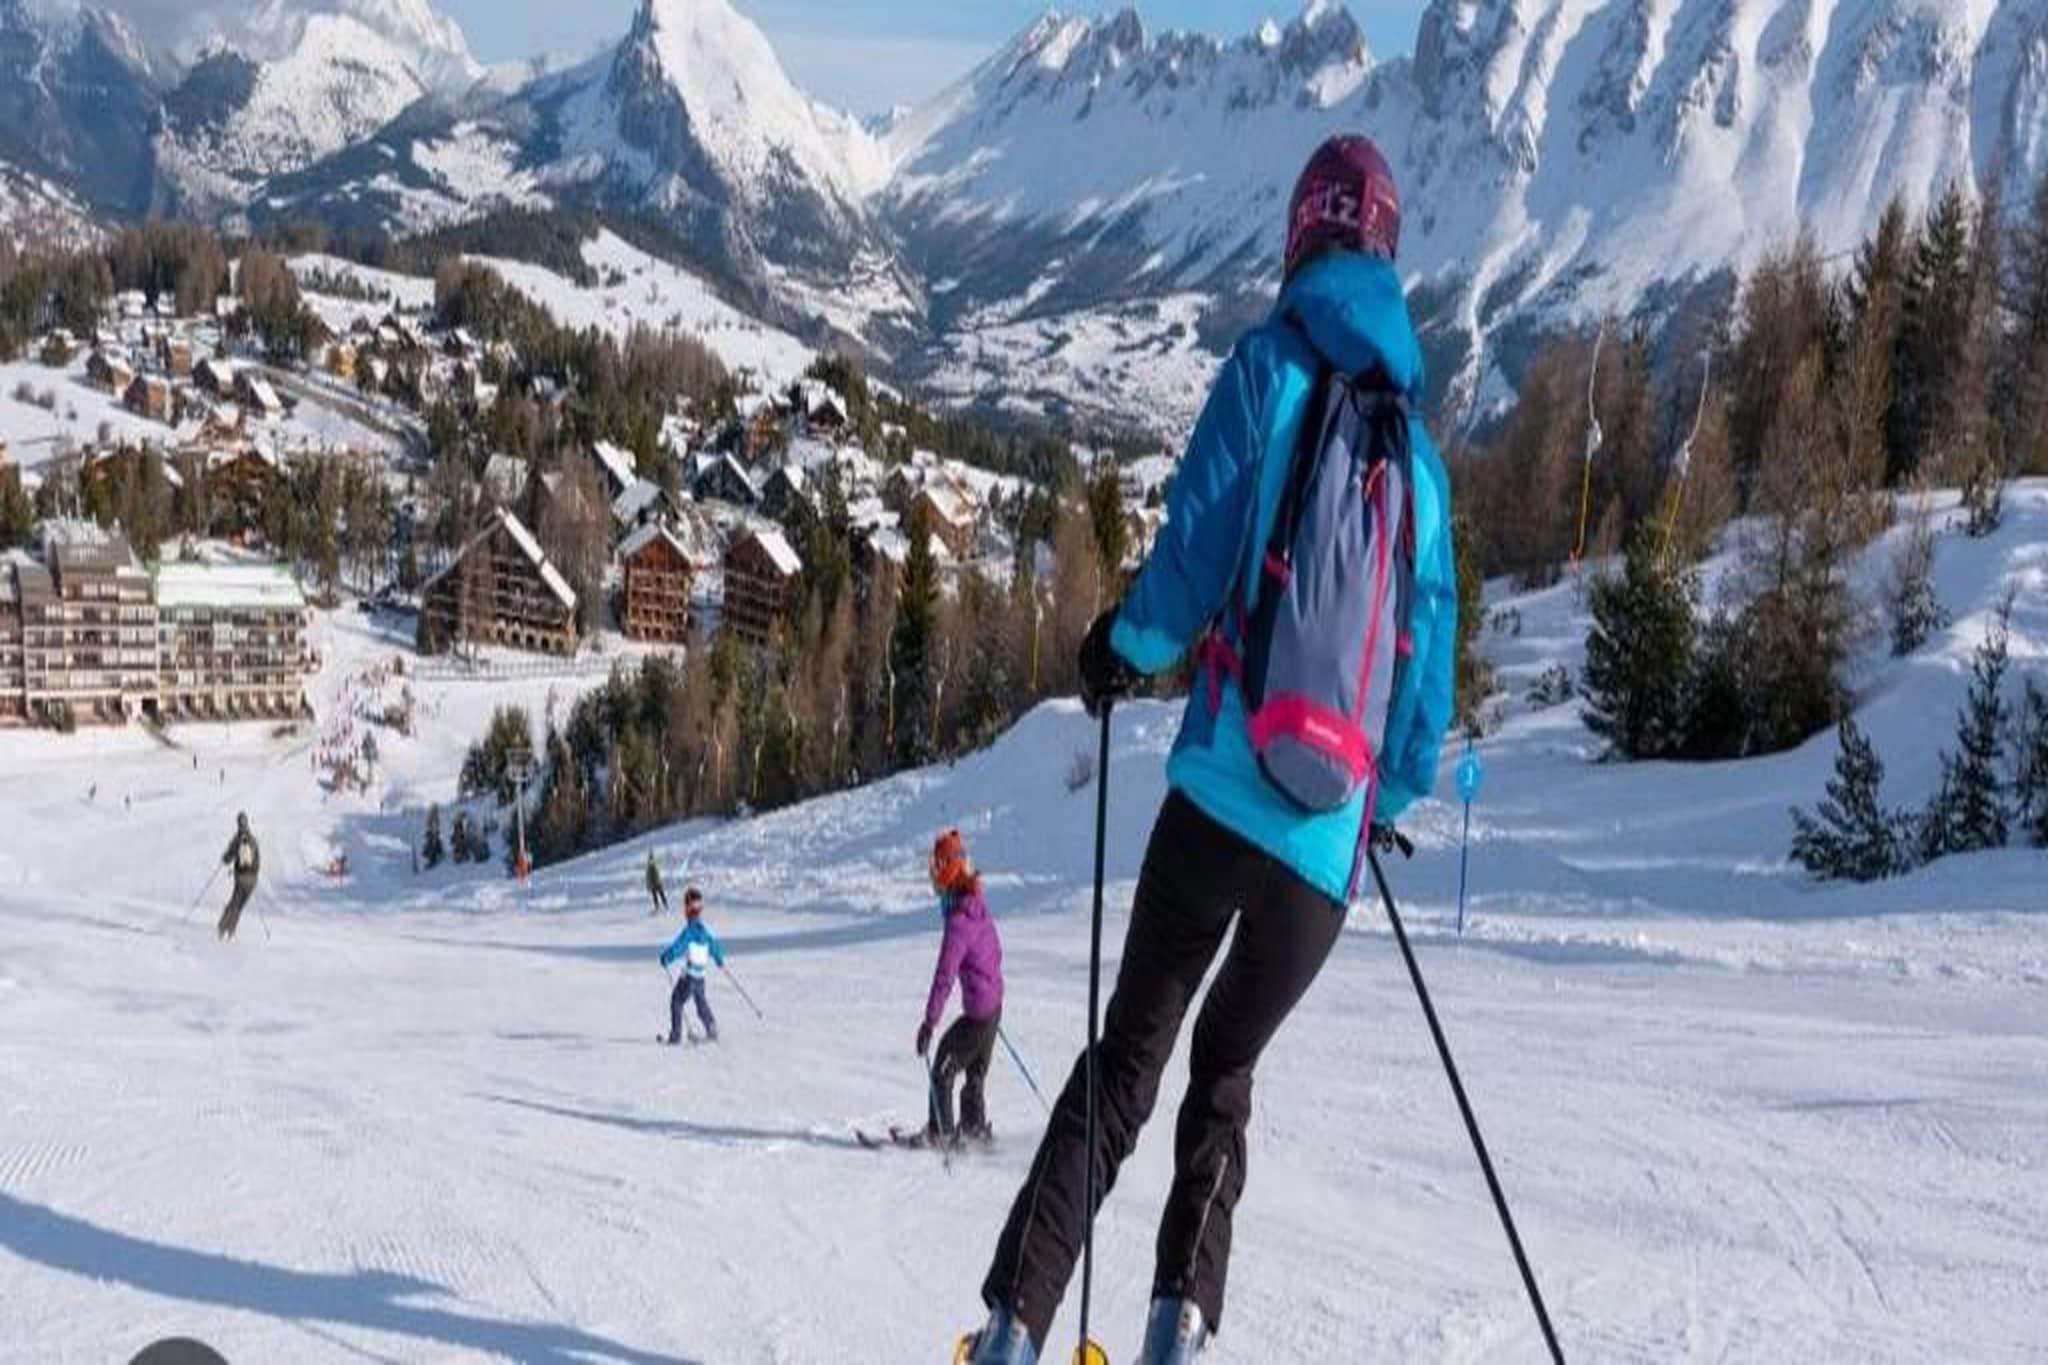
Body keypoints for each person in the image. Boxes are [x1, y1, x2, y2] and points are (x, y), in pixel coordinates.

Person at [963, 134, 1458, 1365]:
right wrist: (1372, 800)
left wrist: (1118, 650)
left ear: (1299, 235)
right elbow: (1421, 700)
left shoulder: (1267, 370)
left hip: (1217, 797)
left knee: (1125, 1065)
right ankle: (1174, 1338)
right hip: (1319, 857)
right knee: (1222, 1080)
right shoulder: (1419, 463)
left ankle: (1012, 1334)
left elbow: (1188, 564)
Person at [918, 830, 1005, 1147]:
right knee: (975, 1074)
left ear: (949, 871)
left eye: (936, 867)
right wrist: (988, 993)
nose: (933, 876)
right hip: (992, 1009)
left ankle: (940, 1134)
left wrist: (929, 1024)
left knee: (943, 1068)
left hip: (981, 1014)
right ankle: (973, 1130)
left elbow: (944, 976)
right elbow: (995, 951)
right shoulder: (977, 904)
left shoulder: (958, 922)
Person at [659, 889, 725, 1044]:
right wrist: (719, 959)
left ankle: (675, 1036)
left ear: (687, 910)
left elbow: (678, 948)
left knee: (676, 1001)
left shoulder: (689, 931)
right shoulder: (704, 931)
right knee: (701, 1002)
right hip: (701, 977)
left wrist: (666, 957)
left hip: (689, 977)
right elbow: (715, 946)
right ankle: (711, 1025)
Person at [217, 813, 262, 942]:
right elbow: (258, 860)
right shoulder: (253, 840)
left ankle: (222, 928)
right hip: (252, 880)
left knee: (234, 903)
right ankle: (231, 931)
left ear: (238, 824)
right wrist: (254, 875)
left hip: (241, 878)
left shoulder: (237, 840)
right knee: (239, 906)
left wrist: (224, 859)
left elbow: (228, 857)